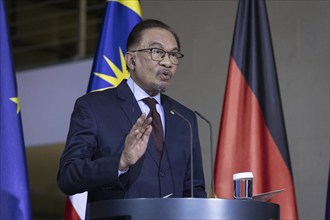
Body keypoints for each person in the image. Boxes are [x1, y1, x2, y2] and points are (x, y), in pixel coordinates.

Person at [57, 19, 207, 204]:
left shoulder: (185, 118)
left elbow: (195, 188)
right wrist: (120, 163)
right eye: (157, 52)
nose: (168, 62)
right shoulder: (94, 107)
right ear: (131, 60)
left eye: (174, 54)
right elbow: (68, 176)